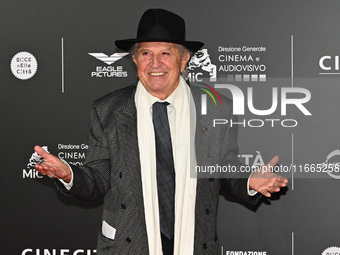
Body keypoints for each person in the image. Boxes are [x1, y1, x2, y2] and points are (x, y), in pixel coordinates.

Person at [34, 8, 288, 255]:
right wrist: (69, 175)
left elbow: (223, 168)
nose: (155, 63)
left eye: (166, 52)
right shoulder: (108, 110)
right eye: (145, 53)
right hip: (128, 244)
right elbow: (98, 178)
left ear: (184, 59)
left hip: (193, 243)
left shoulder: (216, 108)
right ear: (134, 59)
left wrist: (248, 181)